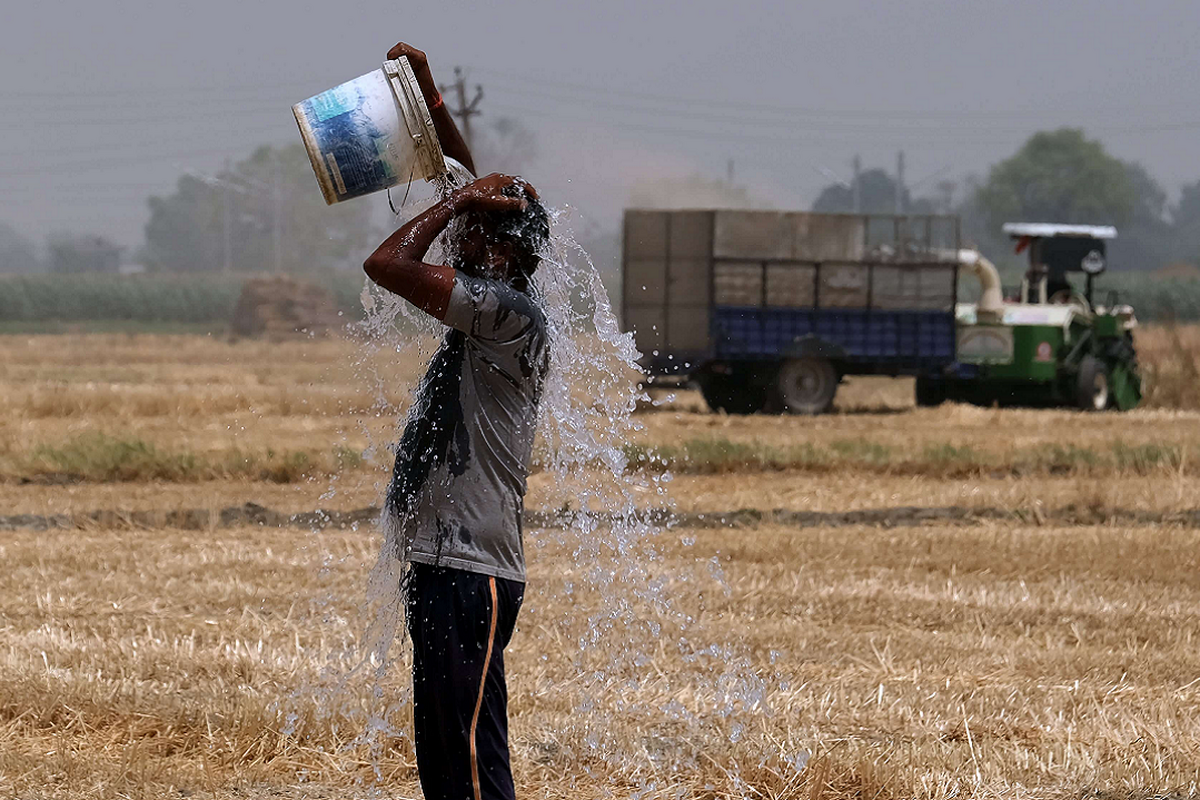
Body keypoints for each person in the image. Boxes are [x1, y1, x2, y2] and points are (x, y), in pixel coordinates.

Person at [362, 41, 551, 800]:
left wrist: (458, 204)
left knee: (472, 764)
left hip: (473, 575)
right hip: (445, 567)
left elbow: (388, 266)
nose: (456, 242)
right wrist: (431, 98)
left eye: (473, 236)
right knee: (446, 765)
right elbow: (469, 180)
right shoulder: (494, 298)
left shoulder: (508, 316)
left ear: (504, 258)